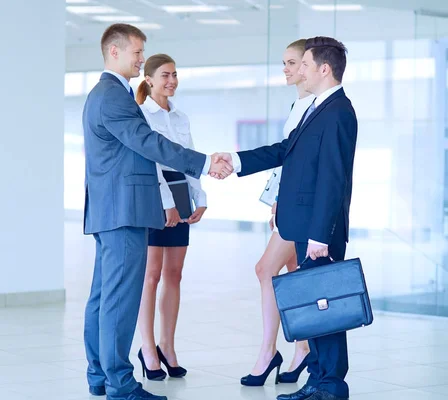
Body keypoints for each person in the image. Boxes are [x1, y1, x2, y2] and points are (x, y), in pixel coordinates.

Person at [83, 24, 231, 400]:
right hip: (124, 211)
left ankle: (99, 374)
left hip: (111, 209)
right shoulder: (113, 96)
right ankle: (120, 383)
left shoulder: (106, 94)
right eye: (137, 52)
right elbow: (147, 142)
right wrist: (202, 163)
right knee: (119, 298)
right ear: (114, 52)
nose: (141, 59)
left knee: (103, 295)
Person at [215, 36, 357, 400]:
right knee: (315, 307)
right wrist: (237, 160)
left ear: (324, 69)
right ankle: (318, 381)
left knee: (326, 310)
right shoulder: (315, 108)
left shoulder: (339, 111)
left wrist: (321, 235)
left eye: (305, 65)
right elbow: (284, 151)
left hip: (317, 230)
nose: (300, 71)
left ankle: (330, 386)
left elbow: (332, 176)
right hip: (303, 225)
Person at [240, 39, 314, 387]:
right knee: (291, 271)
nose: (285, 69)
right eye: (283, 62)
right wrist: (276, 198)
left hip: (303, 208)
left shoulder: (315, 106)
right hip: (288, 204)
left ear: (308, 66)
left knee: (265, 268)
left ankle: (269, 351)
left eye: (291, 62)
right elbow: (287, 159)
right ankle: (302, 347)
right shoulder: (298, 104)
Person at [134, 54, 206, 381]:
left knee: (174, 274)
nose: (172, 81)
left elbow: (188, 158)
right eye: (165, 75)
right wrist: (167, 203)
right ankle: (147, 348)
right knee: (151, 275)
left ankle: (167, 346)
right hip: (153, 197)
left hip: (180, 194)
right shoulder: (140, 115)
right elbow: (150, 161)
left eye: (175, 75)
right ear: (149, 79)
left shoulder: (181, 118)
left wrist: (199, 198)